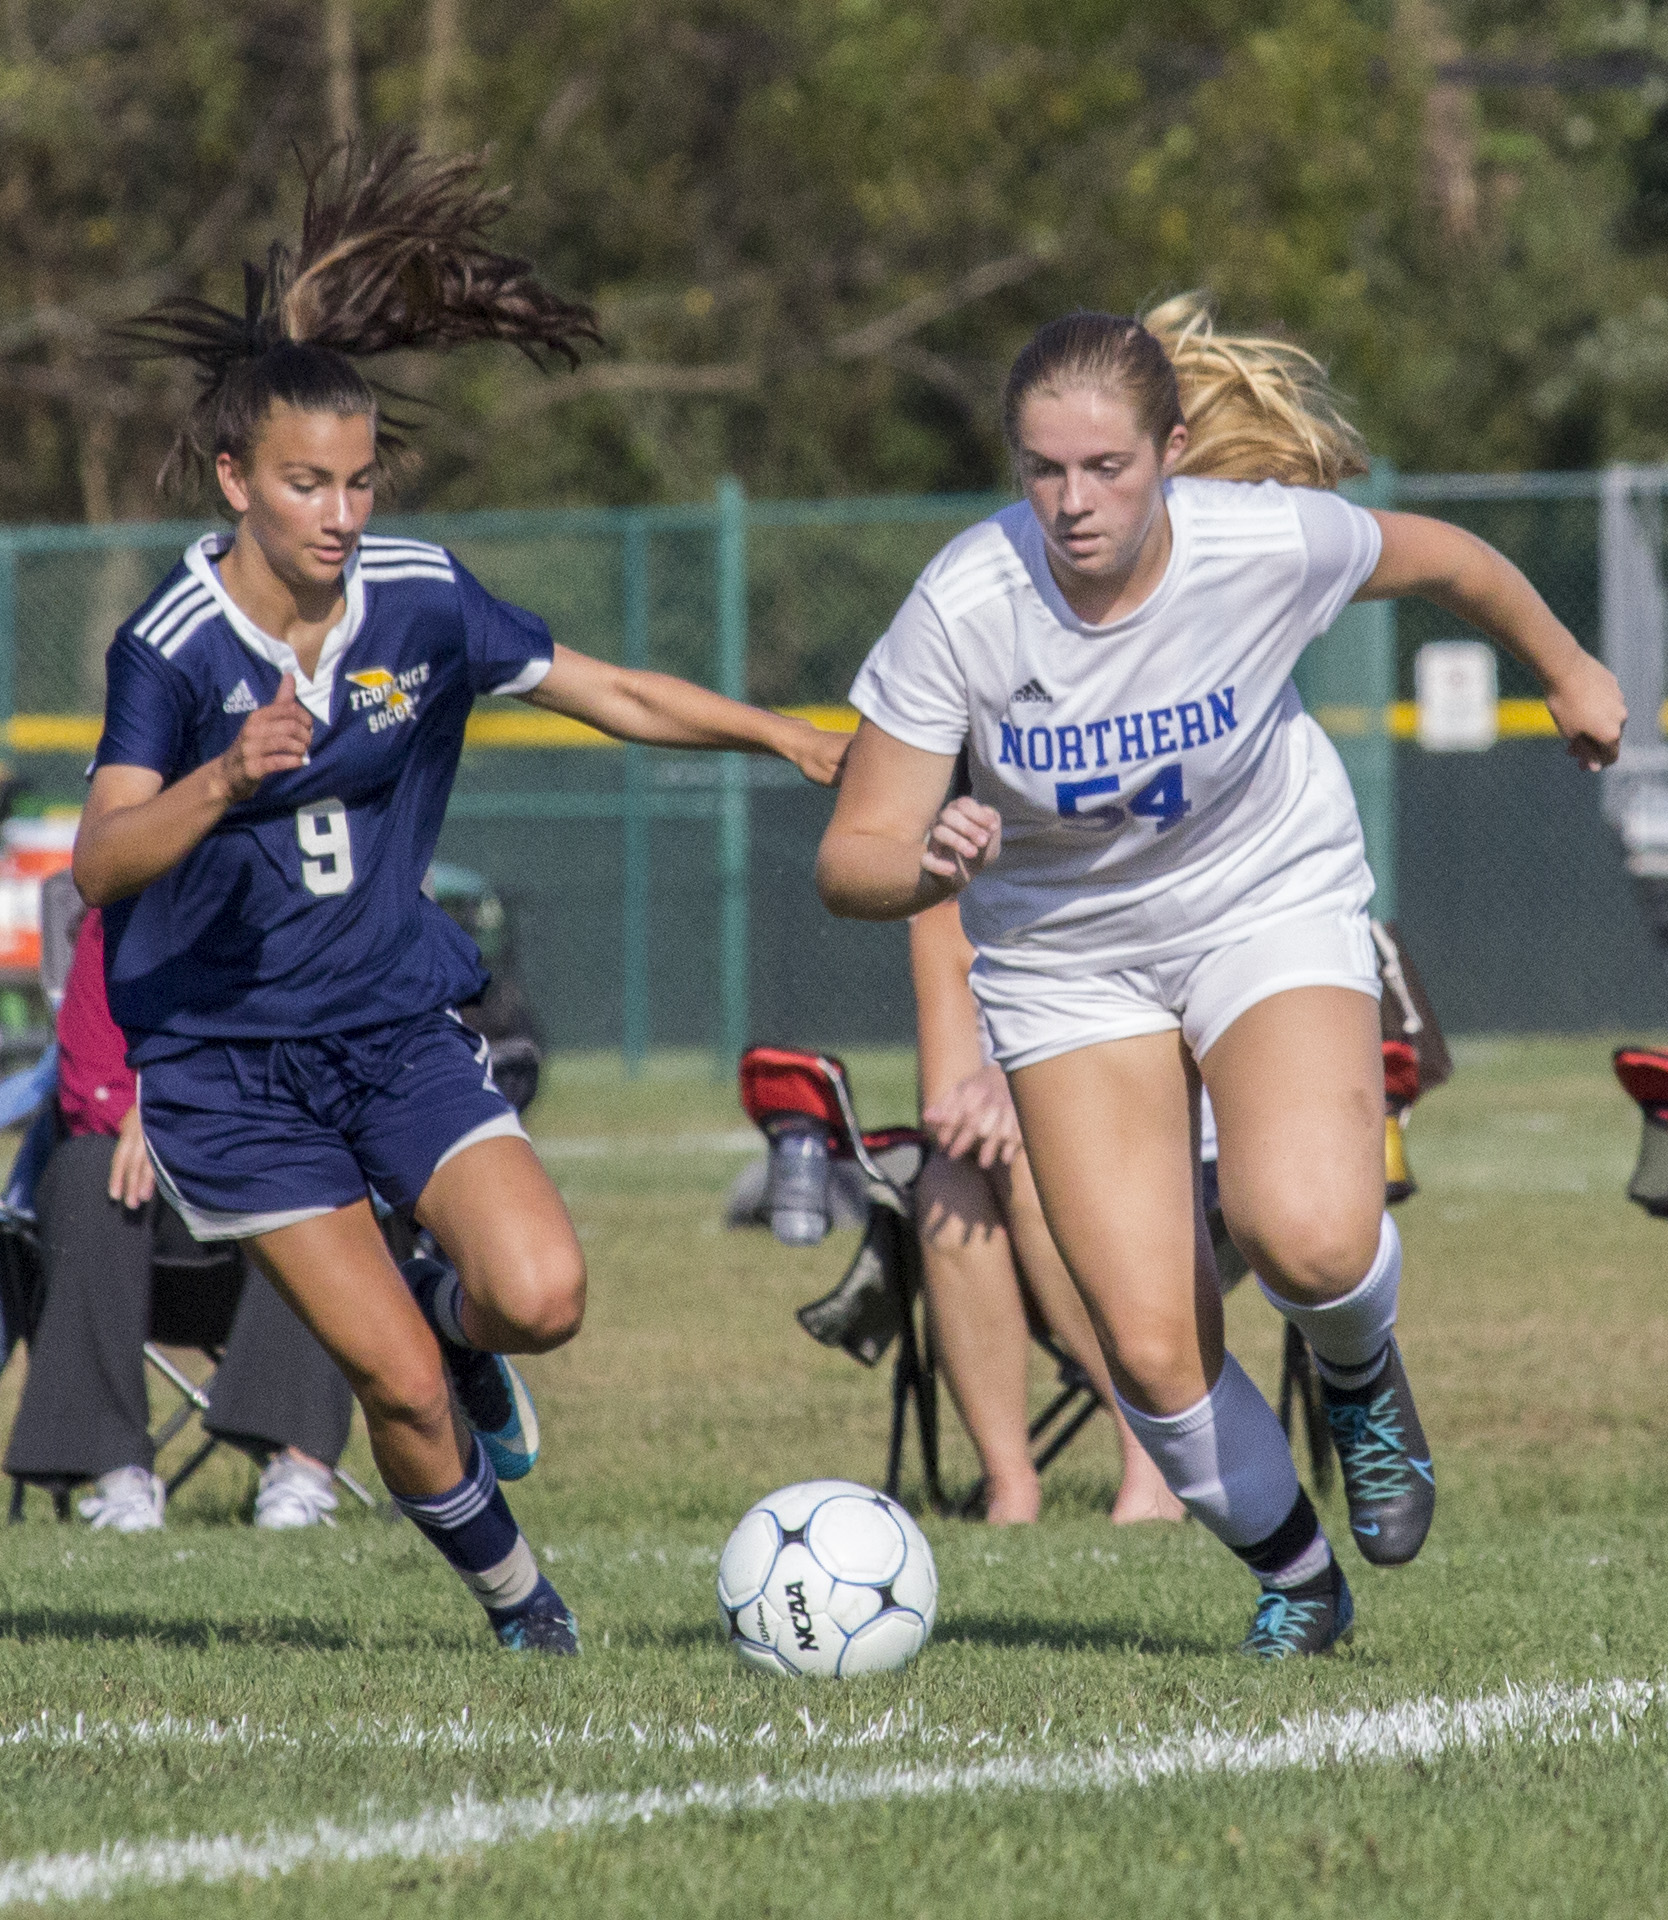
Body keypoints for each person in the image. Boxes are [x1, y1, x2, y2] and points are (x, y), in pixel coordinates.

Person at [75, 140, 846, 1653]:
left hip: (395, 1023)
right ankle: (524, 1612)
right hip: (230, 1069)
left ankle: (460, 1324)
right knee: (401, 1393)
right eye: (307, 483)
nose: (341, 511)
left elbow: (608, 690)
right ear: (237, 480)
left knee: (539, 1295)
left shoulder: (420, 598)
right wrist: (225, 778)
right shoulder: (167, 647)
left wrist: (783, 732)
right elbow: (104, 864)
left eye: (361, 480)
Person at [817, 296, 1625, 1657]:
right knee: (1147, 1349)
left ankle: (1360, 1377)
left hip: (1267, 899)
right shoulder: (967, 602)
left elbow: (1454, 563)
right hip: (1067, 965)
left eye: (1108, 467)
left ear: (1172, 450)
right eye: (1044, 470)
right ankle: (1297, 1578)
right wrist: (926, 862)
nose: (1073, 502)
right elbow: (850, 856)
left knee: (1308, 1232)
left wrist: (1571, 669)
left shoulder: (1263, 542)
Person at [4, 905, 356, 1531]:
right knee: (89, 1166)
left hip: (266, 1236)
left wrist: (178, 1114)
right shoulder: (119, 909)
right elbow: (90, 1079)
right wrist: (142, 1116)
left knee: (321, 1166)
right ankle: (115, 1476)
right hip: (139, 1241)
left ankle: (298, 1471)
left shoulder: (309, 912)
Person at [910, 894, 1184, 1524]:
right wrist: (993, 1104)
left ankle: (1151, 1446)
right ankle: (1010, 1483)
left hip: (1168, 1154)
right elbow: (945, 1106)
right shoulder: (943, 919)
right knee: (945, 1184)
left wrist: (1024, 1085)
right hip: (1011, 1173)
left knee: (1038, 1169)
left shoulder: (1126, 881)